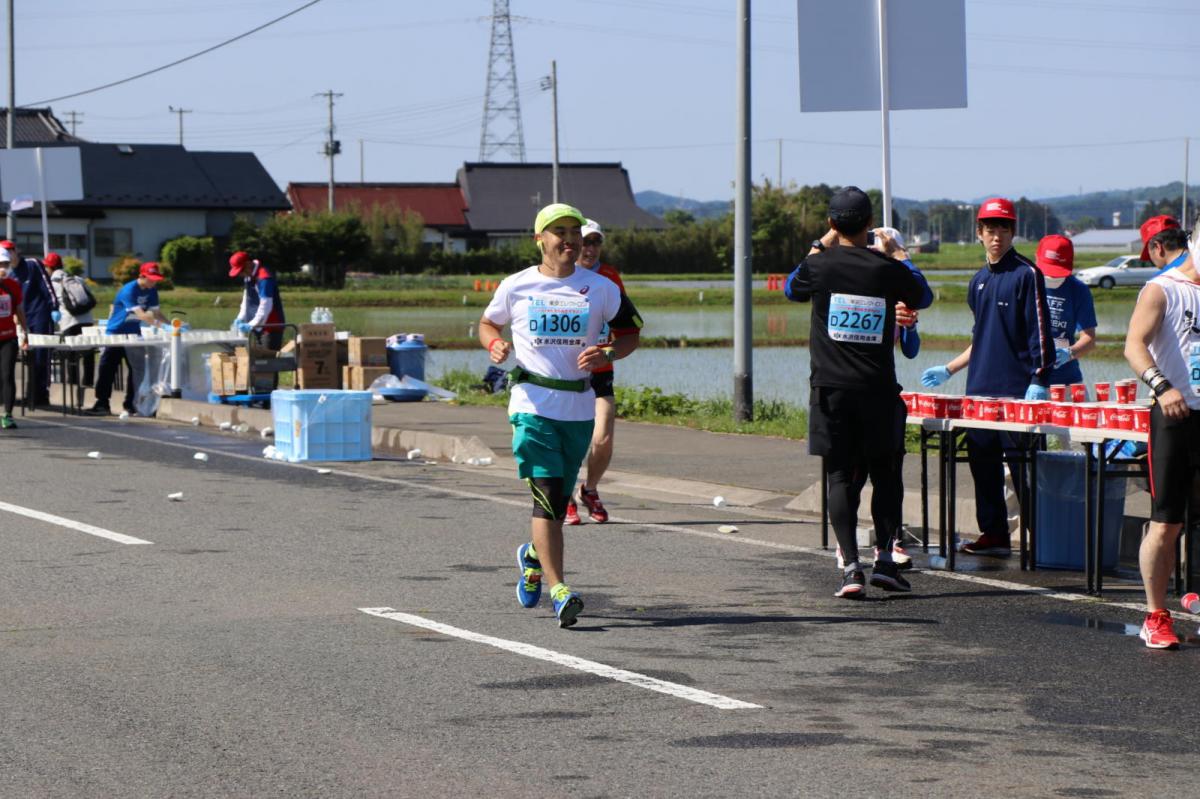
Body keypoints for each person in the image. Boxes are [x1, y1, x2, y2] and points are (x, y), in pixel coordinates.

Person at [478, 203, 642, 627]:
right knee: (550, 498)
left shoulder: (601, 287)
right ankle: (560, 590)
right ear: (540, 239)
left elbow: (630, 334)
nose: (568, 239)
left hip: (579, 406)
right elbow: (487, 323)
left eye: (574, 231)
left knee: (554, 502)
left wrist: (607, 350)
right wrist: (494, 344)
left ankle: (532, 556)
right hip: (532, 403)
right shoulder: (517, 286)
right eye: (558, 232)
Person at [785, 187, 932, 598]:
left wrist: (821, 243)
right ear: (870, 225)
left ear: (833, 223)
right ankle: (885, 561)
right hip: (878, 389)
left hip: (831, 389)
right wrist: (898, 254)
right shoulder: (885, 267)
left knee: (839, 475)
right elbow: (924, 294)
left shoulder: (821, 265)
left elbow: (791, 288)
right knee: (886, 474)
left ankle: (850, 567)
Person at [921, 197, 1055, 557]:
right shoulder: (978, 281)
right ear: (979, 233)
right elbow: (981, 338)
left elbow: (1039, 332)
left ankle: (1044, 539)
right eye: (990, 229)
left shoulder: (1027, 274)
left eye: (1004, 229)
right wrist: (949, 369)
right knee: (983, 465)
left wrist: (1039, 377)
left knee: (1026, 472)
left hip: (1017, 391)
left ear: (1014, 232)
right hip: (979, 390)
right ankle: (994, 534)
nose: (997, 236)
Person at [1122, 222, 1200, 649]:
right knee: (1167, 521)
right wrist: (1162, 385)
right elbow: (1134, 344)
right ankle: (1155, 615)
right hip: (1175, 414)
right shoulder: (1162, 288)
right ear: (1193, 243)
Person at [564, 219, 630, 526]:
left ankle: (589, 489)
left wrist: (608, 350)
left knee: (602, 436)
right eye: (585, 242)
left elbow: (626, 326)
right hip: (565, 372)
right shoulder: (559, 278)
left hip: (600, 368)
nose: (590, 249)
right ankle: (563, 495)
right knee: (570, 439)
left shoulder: (609, 277)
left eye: (595, 243)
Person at [89, 261, 169, 416]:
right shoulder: (129, 290)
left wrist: (171, 325)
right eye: (151, 279)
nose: (153, 282)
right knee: (107, 368)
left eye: (155, 279)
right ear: (142, 276)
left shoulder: (152, 291)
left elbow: (156, 313)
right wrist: (162, 326)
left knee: (137, 369)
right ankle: (102, 403)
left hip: (133, 333)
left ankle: (131, 404)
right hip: (116, 332)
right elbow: (143, 315)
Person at [1036, 235, 1097, 386]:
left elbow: (1089, 339)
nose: (1051, 276)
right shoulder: (1026, 285)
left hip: (1068, 381)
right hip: (1029, 380)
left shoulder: (1078, 290)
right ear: (1036, 259)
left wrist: (1069, 353)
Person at [3, 240, 58, 406]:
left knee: (42, 355)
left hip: (40, 315)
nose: (8, 259)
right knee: (29, 357)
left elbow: (47, 286)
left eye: (10, 252)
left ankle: (42, 393)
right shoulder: (10, 274)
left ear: (15, 251)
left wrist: (54, 306)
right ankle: (31, 392)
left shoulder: (32, 264)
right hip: (22, 318)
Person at [48, 253, 97, 406]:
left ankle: (74, 389)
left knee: (71, 356)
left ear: (49, 267)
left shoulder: (52, 282)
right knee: (88, 354)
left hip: (69, 322)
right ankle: (88, 386)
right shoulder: (77, 278)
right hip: (87, 320)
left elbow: (50, 302)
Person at [229, 251, 286, 351]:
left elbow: (266, 305)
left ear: (248, 264)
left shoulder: (264, 278)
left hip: (270, 328)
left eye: (241, 271)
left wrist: (251, 325)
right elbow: (247, 298)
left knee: (268, 363)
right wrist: (240, 317)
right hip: (256, 327)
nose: (240, 274)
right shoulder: (248, 276)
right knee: (255, 363)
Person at [0, 249, 30, 428]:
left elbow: (19, 310)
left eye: (5, 264)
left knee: (7, 374)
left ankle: (8, 415)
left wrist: (25, 331)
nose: (3, 268)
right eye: (0, 265)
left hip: (8, 337)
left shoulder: (13, 285)